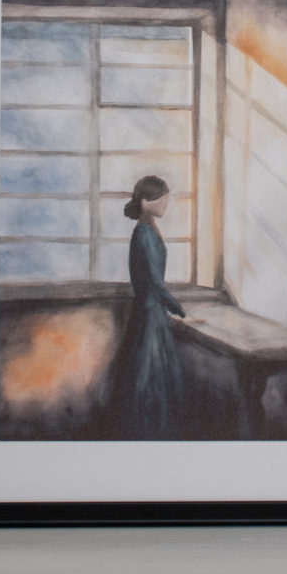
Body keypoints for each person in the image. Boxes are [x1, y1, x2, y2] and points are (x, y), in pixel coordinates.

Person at [110, 175, 187, 439]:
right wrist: (179, 310)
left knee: (151, 377)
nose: (166, 204)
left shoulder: (148, 228)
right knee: (148, 377)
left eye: (166, 199)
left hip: (151, 312)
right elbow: (154, 282)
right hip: (150, 315)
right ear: (145, 202)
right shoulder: (144, 232)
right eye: (162, 199)